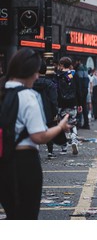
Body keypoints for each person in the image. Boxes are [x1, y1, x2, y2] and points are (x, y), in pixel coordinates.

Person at [0, 48, 71, 220]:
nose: (37, 77)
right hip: (24, 162)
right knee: (27, 216)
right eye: (35, 72)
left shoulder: (2, 92)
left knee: (12, 214)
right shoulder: (28, 96)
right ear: (28, 72)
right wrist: (60, 127)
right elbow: (39, 136)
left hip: (3, 159)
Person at [56, 56, 81, 155]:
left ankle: (64, 146)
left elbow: (56, 90)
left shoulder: (58, 76)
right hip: (73, 102)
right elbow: (78, 90)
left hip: (61, 103)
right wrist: (80, 103)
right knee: (72, 122)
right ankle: (74, 139)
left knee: (61, 124)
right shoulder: (74, 75)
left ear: (62, 65)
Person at [32, 61, 58, 158]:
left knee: (35, 130)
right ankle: (50, 152)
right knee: (48, 130)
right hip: (48, 111)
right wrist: (55, 111)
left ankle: (36, 151)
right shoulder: (50, 84)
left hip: (35, 111)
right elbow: (53, 99)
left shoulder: (32, 83)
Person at [74, 59, 90, 129]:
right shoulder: (85, 68)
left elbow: (79, 81)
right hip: (85, 89)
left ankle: (79, 123)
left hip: (81, 90)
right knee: (84, 106)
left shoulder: (79, 69)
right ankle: (86, 123)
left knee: (79, 106)